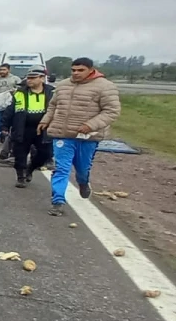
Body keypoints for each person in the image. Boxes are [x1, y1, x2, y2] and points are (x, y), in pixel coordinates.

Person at [39, 58, 121, 216]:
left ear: (91, 70)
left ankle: (83, 183)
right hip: (62, 134)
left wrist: (91, 125)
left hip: (87, 136)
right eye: (73, 70)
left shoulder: (105, 87)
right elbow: (53, 105)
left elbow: (112, 111)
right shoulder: (63, 86)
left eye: (80, 70)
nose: (76, 73)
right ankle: (58, 202)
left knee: (82, 169)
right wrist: (45, 120)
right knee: (61, 168)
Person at [2, 68, 55, 188]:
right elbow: (10, 110)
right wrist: (5, 126)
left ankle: (30, 168)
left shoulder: (52, 92)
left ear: (42, 78)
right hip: (23, 128)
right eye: (28, 77)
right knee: (20, 153)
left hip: (44, 129)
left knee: (46, 154)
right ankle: (21, 177)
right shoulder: (20, 92)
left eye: (33, 78)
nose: (29, 80)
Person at [0, 63, 21, 146]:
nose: (2, 71)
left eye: (4, 70)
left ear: (9, 70)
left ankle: (4, 135)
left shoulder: (15, 79)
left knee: (8, 122)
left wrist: (15, 91)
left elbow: (21, 89)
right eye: (1, 70)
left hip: (9, 105)